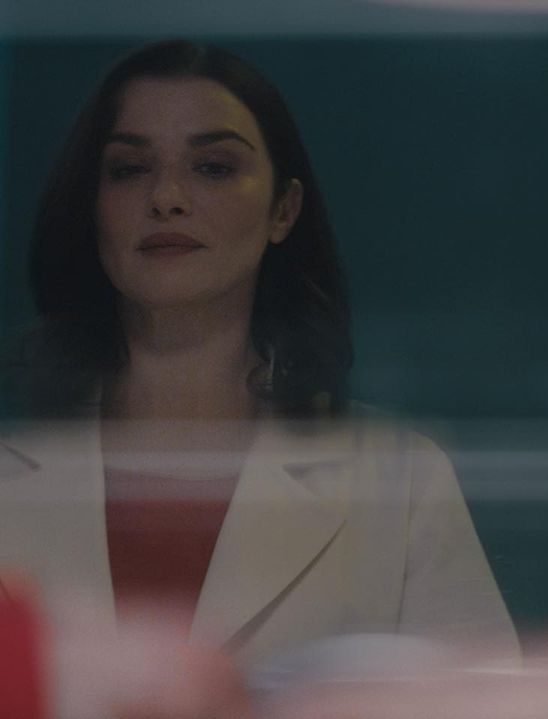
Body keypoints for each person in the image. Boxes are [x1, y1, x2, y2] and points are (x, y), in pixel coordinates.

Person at [0, 40, 517, 667]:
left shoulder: (400, 477)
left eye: (212, 167)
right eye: (130, 169)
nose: (166, 197)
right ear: (92, 206)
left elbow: (487, 698)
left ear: (284, 210)